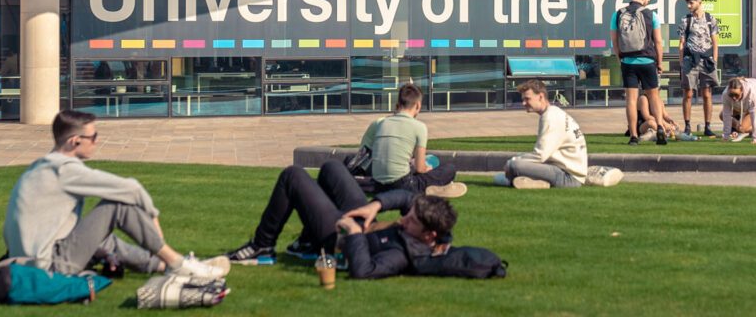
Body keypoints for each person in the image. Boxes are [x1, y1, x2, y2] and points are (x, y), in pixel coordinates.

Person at [3, 110, 227, 278]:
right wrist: (153, 216)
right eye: (93, 136)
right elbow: (131, 188)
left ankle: (165, 265)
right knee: (116, 206)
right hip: (50, 268)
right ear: (75, 141)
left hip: (27, 263)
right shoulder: (65, 170)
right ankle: (178, 264)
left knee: (106, 238)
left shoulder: (38, 168)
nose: (97, 141)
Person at [225, 160, 459, 281]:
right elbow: (405, 197)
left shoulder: (401, 256)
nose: (404, 219)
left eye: (412, 222)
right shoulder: (430, 220)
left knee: (293, 175)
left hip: (341, 238)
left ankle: (262, 245)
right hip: (366, 222)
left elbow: (364, 271)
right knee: (332, 168)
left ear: (429, 235)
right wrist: (373, 206)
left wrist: (353, 233)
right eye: (409, 215)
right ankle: (307, 243)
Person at [357, 83, 467, 198]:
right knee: (450, 169)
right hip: (404, 184)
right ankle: (428, 189)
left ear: (398, 104)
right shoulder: (419, 127)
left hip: (378, 184)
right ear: (418, 105)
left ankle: (430, 188)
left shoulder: (381, 123)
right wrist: (426, 168)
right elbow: (420, 168)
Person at [501, 79, 588, 189]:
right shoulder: (555, 112)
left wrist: (512, 162)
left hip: (567, 177)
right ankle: (537, 182)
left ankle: (533, 182)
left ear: (541, 97)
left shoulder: (550, 117)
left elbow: (540, 155)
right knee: (518, 162)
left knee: (514, 166)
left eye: (527, 99)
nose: (523, 103)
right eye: (523, 99)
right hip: (567, 172)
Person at [611, 0, 665, 146]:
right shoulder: (651, 15)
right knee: (654, 97)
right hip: (648, 61)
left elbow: (614, 40)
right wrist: (660, 63)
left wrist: (619, 57)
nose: (647, 2)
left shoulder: (618, 14)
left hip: (628, 62)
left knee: (631, 100)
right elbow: (658, 42)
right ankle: (661, 127)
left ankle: (633, 136)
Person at [677, 0, 719, 137]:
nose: (689, 6)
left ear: (699, 2)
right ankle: (687, 126)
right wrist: (681, 62)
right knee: (687, 93)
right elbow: (681, 42)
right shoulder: (685, 20)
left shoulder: (710, 19)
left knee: (707, 94)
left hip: (706, 60)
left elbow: (715, 41)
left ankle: (708, 126)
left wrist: (714, 59)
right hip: (690, 60)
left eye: (691, 3)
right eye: (687, 3)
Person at [719, 77, 756, 145]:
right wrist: (726, 136)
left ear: (742, 90)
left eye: (736, 95)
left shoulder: (751, 93)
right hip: (742, 102)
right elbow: (726, 114)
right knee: (722, 115)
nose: (734, 97)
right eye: (731, 95)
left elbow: (755, 117)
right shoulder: (725, 94)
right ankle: (740, 129)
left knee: (744, 128)